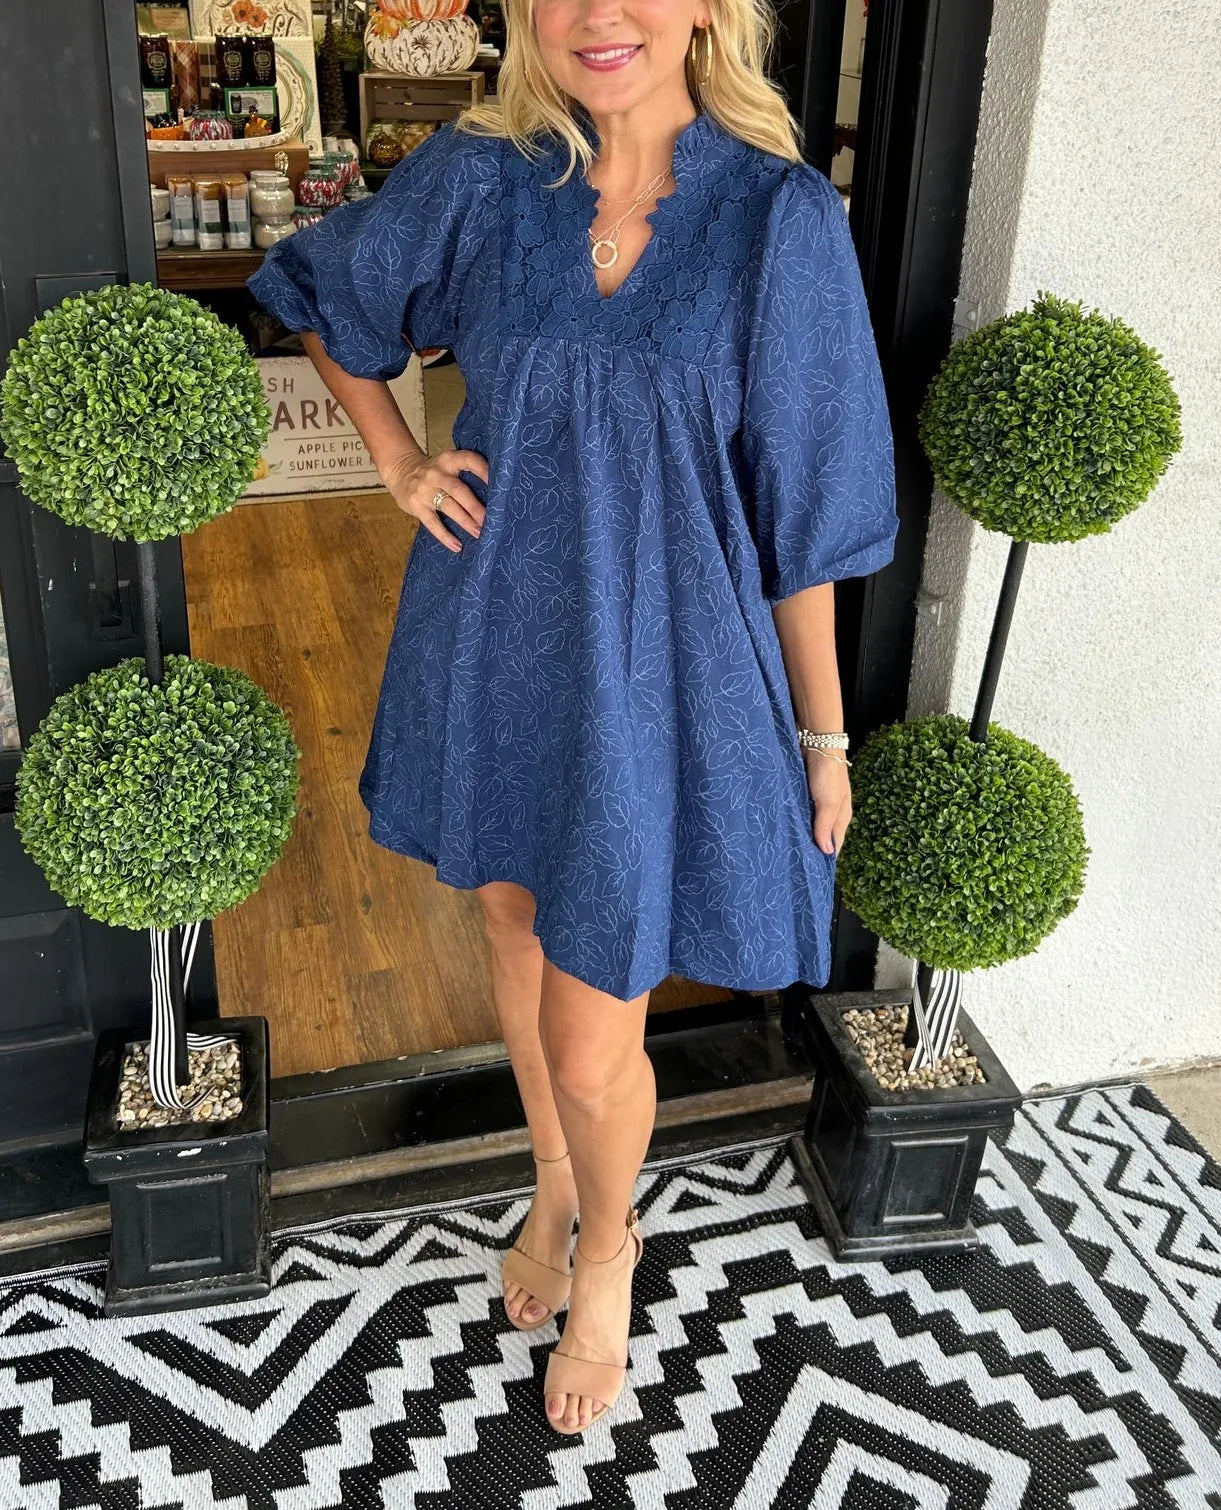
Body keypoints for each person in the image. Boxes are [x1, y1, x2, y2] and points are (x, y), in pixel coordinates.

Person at [247, 0, 898, 1436]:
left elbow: (807, 516)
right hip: (494, 634)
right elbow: (327, 295)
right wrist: (398, 461)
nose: (601, 16)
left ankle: (610, 1247)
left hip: (664, 666)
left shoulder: (777, 219)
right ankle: (553, 1180)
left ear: (708, 11)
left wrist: (823, 738)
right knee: (510, 923)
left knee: (598, 1022)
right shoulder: (486, 182)